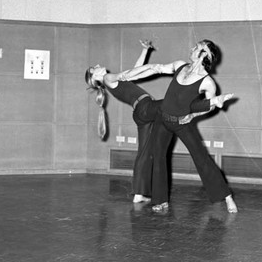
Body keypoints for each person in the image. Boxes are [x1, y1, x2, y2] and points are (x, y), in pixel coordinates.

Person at [122, 40, 238, 214]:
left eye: (197, 48)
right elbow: (156, 68)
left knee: (202, 159)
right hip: (163, 118)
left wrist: (192, 115)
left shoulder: (208, 82)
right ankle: (160, 201)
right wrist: (130, 74)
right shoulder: (180, 66)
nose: (192, 48)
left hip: (183, 123)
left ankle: (227, 197)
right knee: (158, 157)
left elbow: (210, 105)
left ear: (205, 55)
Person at [85, 40, 159, 203]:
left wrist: (144, 51)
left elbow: (133, 71)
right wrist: (153, 69)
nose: (98, 64)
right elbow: (126, 74)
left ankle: (139, 193)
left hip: (140, 112)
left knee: (144, 153)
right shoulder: (107, 77)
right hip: (146, 107)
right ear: (95, 76)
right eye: (94, 68)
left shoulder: (109, 81)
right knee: (172, 106)